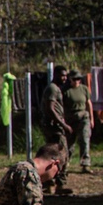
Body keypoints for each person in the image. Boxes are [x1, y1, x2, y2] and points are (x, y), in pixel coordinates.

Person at [40, 67, 73, 195]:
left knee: (53, 156)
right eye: (62, 75)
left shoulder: (56, 88)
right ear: (56, 75)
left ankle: (51, 184)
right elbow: (50, 108)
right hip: (55, 128)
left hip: (54, 126)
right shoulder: (53, 88)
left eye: (66, 76)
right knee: (62, 154)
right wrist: (63, 124)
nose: (64, 78)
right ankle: (58, 184)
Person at [64, 70, 94, 173]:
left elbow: (88, 103)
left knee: (84, 140)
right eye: (74, 79)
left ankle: (85, 164)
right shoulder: (66, 91)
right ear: (70, 79)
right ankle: (65, 163)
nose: (77, 81)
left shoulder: (84, 89)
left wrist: (91, 119)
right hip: (71, 118)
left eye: (78, 79)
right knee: (69, 143)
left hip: (83, 117)